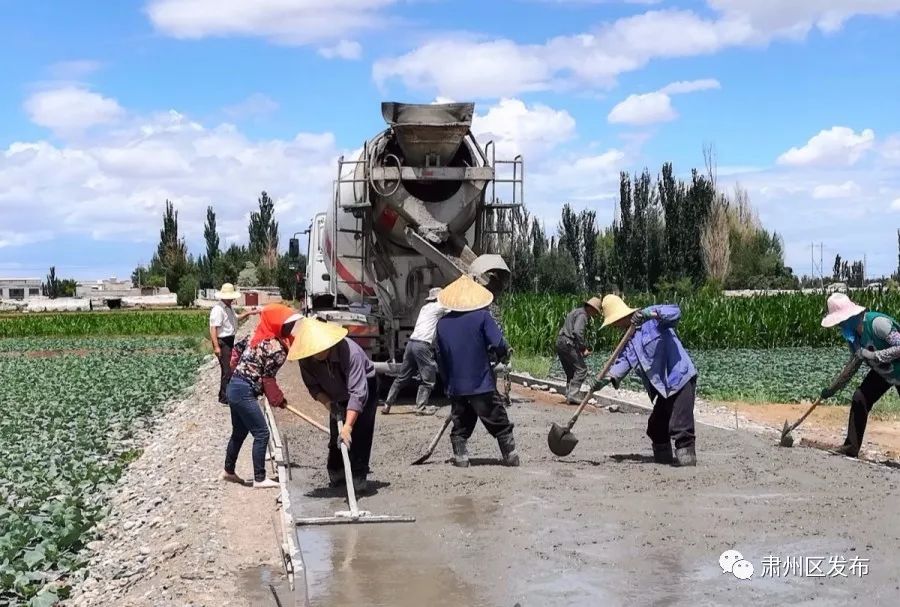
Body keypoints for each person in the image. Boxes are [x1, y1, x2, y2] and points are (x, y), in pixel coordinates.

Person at [597, 295, 698, 467]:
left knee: (680, 425)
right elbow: (623, 362)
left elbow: (675, 312)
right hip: (663, 388)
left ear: (620, 317)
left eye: (614, 323)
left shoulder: (653, 320)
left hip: (679, 378)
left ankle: (687, 463)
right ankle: (663, 461)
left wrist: (649, 313)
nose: (614, 327)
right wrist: (605, 380)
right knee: (656, 427)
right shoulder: (629, 340)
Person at [435, 275, 519, 468]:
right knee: (497, 418)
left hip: (456, 385)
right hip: (480, 382)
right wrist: (503, 354)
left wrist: (447, 383)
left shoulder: (442, 323)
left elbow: (440, 356)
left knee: (461, 421)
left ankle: (461, 457)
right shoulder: (482, 317)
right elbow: (499, 343)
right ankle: (510, 454)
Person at [289, 317, 379, 493]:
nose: (317, 353)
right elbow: (313, 387)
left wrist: (348, 427)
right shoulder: (306, 357)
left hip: (364, 385)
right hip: (335, 394)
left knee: (359, 432)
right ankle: (336, 473)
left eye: (321, 349)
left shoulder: (350, 352)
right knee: (336, 435)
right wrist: (329, 404)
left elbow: (357, 394)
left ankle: (358, 478)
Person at [221, 303, 300, 489]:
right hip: (244, 391)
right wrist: (279, 400)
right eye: (288, 326)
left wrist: (237, 371)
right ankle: (259, 477)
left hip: (234, 386)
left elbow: (236, 352)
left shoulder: (255, 336)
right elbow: (268, 379)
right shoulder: (277, 350)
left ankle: (228, 471)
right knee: (262, 432)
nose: (291, 329)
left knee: (239, 432)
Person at [820, 293, 900, 457]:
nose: (840, 326)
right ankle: (851, 447)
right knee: (860, 397)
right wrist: (833, 389)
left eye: (841, 322)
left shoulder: (878, 324)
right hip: (884, 373)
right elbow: (854, 364)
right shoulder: (853, 338)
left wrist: (876, 356)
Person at [383, 287, 447, 416]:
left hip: (411, 344)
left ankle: (387, 404)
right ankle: (421, 407)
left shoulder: (424, 308)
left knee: (402, 377)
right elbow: (454, 309)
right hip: (423, 346)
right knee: (428, 379)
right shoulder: (437, 307)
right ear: (438, 298)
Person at [209, 283, 258, 404]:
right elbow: (213, 328)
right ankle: (224, 398)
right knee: (227, 370)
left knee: (230, 368)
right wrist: (216, 347)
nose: (232, 299)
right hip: (223, 342)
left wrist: (249, 313)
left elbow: (237, 318)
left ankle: (226, 394)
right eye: (230, 297)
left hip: (229, 340)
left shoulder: (229, 308)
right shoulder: (218, 310)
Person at [556, 297, 603, 405]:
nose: (595, 314)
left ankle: (569, 394)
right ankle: (573, 395)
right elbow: (577, 332)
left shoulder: (575, 311)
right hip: (568, 343)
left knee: (571, 371)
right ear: (591, 308)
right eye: (595, 312)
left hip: (561, 342)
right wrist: (583, 348)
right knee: (582, 370)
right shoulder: (583, 315)